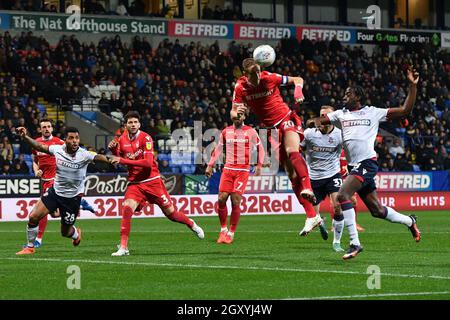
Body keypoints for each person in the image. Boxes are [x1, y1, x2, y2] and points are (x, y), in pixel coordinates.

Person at [311, 67, 421, 260]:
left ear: (358, 97)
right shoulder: (340, 114)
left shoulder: (373, 113)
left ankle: (354, 243)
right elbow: (320, 120)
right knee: (377, 211)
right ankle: (409, 221)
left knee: (343, 194)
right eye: (344, 93)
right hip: (355, 167)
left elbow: (405, 110)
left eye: (348, 93)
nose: (344, 96)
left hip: (367, 163)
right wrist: (314, 122)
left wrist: (412, 86)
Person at [231, 58, 321, 236]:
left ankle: (308, 187)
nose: (258, 76)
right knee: (290, 173)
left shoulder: (269, 77)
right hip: (270, 129)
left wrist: (297, 92)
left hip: (286, 119)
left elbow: (298, 79)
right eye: (253, 73)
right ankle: (312, 216)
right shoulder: (240, 87)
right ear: (246, 75)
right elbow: (234, 111)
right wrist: (237, 116)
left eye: (258, 71)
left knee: (292, 150)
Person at [108, 111, 204, 256]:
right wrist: (113, 149)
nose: (133, 125)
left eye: (135, 122)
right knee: (127, 209)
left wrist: (122, 160)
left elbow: (147, 163)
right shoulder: (121, 140)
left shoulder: (146, 138)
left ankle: (191, 223)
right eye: (130, 122)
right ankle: (123, 247)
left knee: (171, 215)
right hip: (135, 183)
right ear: (125, 125)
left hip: (153, 182)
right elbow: (121, 158)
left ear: (139, 124)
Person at [16, 126, 112, 255]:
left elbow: (98, 157)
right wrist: (25, 137)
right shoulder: (57, 149)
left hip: (72, 198)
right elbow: (39, 146)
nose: (74, 141)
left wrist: (113, 159)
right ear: (65, 140)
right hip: (55, 192)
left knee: (65, 232)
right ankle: (30, 247)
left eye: (77, 138)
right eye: (71, 138)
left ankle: (76, 234)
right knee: (33, 217)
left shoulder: (84, 154)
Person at [29, 119, 97, 248]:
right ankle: (79, 207)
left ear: (52, 128)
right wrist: (36, 170)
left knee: (40, 212)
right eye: (44, 127)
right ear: (40, 129)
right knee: (54, 214)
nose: (47, 129)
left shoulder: (60, 143)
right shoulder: (36, 143)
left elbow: (75, 155)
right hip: (45, 180)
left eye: (49, 126)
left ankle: (37, 239)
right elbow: (35, 160)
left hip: (56, 180)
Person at [205, 113, 265, 244]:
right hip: (228, 169)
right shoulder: (226, 131)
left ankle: (231, 233)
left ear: (244, 117)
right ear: (232, 117)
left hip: (242, 170)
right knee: (221, 198)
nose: (238, 117)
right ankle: (223, 230)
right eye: (236, 115)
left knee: (235, 199)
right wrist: (210, 165)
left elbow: (261, 148)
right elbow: (218, 149)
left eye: (241, 115)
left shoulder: (250, 131)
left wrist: (259, 166)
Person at [301, 106, 344, 251]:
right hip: (314, 177)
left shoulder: (340, 135)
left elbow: (348, 151)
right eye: (321, 115)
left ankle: (337, 242)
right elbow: (299, 149)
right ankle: (319, 223)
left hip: (333, 174)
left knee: (337, 206)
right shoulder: (309, 134)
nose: (323, 118)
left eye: (326, 115)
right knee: (314, 214)